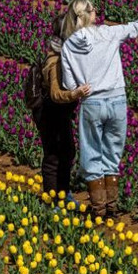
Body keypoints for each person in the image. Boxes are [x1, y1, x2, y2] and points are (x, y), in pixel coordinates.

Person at [60, 0, 138, 218]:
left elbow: (69, 84)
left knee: (92, 152)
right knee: (112, 154)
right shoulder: (108, 33)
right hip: (117, 100)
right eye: (94, 9)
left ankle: (99, 209)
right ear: (90, 14)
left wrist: (80, 88)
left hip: (91, 102)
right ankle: (111, 208)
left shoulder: (68, 45)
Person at [31, 12, 91, 204]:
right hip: (49, 112)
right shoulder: (55, 60)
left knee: (67, 152)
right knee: (54, 155)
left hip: (61, 112)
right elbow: (56, 94)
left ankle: (64, 193)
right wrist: (76, 94)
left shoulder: (67, 55)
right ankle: (52, 199)